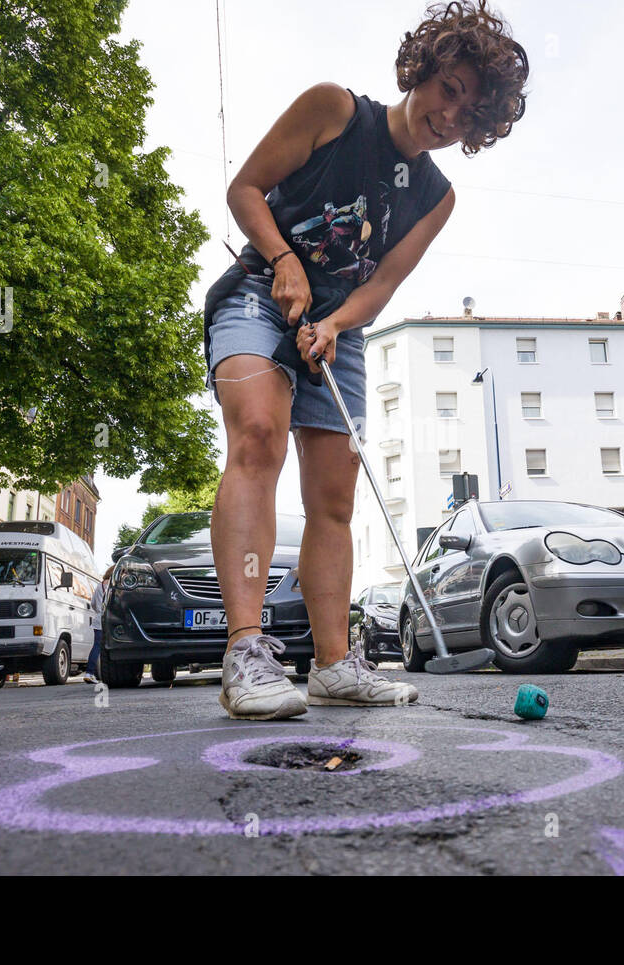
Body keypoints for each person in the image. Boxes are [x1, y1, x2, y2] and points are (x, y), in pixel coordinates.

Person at [201, 0, 528, 719]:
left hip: (337, 332)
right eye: (450, 90)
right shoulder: (334, 110)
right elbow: (243, 188)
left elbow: (379, 288)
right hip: (261, 293)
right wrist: (285, 259)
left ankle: (332, 664)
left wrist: (337, 322)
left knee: (336, 498)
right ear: (424, 70)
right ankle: (246, 651)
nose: (452, 115)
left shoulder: (437, 199)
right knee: (257, 433)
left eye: (471, 113)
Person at [83, 565, 113, 684]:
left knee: (97, 646)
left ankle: (89, 673)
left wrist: (99, 612)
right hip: (111, 620)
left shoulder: (100, 585)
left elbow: (94, 603)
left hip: (99, 619)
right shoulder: (114, 584)